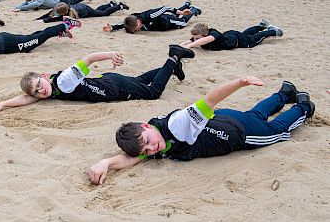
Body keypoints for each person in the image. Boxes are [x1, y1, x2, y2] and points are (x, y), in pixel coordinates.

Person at [88, 78, 315, 185]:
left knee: (278, 131)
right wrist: (106, 162)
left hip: (235, 133)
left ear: (147, 127)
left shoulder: (177, 125)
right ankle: (284, 94)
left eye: (148, 142)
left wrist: (239, 82)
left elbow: (210, 99)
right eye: (145, 149)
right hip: (223, 119)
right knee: (254, 115)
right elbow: (132, 158)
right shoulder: (150, 138)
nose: (150, 149)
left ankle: (303, 107)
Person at [0, 45, 195, 113]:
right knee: (140, 80)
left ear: (45, 77)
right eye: (37, 91)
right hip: (109, 81)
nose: (41, 92)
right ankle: (172, 69)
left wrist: (110, 55)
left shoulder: (64, 81)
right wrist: (2, 104)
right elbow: (26, 99)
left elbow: (89, 58)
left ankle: (173, 56)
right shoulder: (51, 89)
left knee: (154, 93)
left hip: (113, 88)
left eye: (40, 85)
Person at [103, 1, 201, 33]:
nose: (137, 30)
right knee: (174, 15)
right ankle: (186, 5)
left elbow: (165, 8)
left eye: (136, 29)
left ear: (138, 22)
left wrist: (182, 13)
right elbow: (124, 24)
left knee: (183, 22)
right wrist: (112, 27)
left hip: (168, 22)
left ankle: (193, 10)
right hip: (162, 21)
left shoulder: (150, 16)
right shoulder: (132, 19)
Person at [179, 20, 283, 51]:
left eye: (197, 38)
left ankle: (274, 31)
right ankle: (261, 26)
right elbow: (190, 41)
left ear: (205, 35)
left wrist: (189, 46)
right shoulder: (199, 36)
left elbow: (203, 41)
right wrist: (180, 46)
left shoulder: (212, 34)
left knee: (255, 38)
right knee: (246, 33)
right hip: (231, 35)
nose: (195, 40)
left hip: (240, 41)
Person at [36, 0, 128, 23]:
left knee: (103, 14)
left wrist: (44, 21)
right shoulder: (64, 8)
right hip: (82, 7)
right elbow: (50, 14)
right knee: (97, 10)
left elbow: (56, 19)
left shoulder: (68, 14)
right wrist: (39, 19)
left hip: (86, 10)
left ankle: (120, 6)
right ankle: (111, 4)